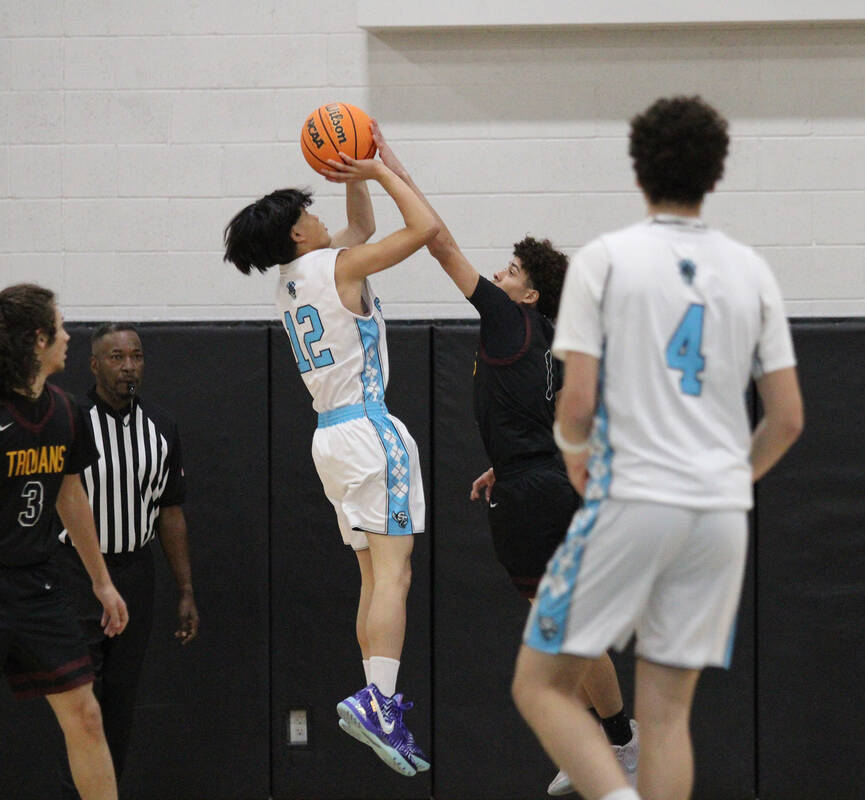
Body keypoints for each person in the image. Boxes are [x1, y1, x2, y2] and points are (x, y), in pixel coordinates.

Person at [509, 96, 804, 800]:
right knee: (667, 714)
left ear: (638, 169)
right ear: (716, 172)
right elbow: (788, 418)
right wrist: (731, 480)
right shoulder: (751, 269)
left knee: (540, 683)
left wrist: (575, 455)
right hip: (720, 516)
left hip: (636, 496)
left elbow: (576, 404)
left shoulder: (605, 261)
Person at [369, 122, 639, 796]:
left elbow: (438, 239)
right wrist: (518, 458)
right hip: (552, 484)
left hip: (533, 497)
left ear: (528, 294)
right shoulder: (557, 339)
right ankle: (615, 743)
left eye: (511, 271)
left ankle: (609, 752)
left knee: (555, 634)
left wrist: (385, 168)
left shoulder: (507, 319)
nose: (497, 274)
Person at [223, 151, 439, 775]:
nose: (319, 217)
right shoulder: (338, 266)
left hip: (329, 440)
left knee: (373, 578)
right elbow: (423, 229)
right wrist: (379, 173)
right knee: (393, 577)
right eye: (310, 212)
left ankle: (376, 694)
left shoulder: (291, 281)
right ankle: (382, 701)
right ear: (297, 231)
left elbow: (361, 232)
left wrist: (353, 183)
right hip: (371, 431)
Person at [54, 323, 197, 800]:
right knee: (82, 704)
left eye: (135, 356)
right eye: (116, 357)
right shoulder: (70, 419)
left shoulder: (161, 425)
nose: (128, 365)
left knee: (120, 701)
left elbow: (170, 512)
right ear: (94, 365)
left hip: (135, 572)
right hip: (76, 575)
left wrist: (185, 591)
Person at [0, 283, 129, 800]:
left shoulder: (66, 412)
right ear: (37, 338)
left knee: (87, 715)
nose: (69, 335)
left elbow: (69, 494)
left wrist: (102, 582)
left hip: (36, 585)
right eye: (60, 325)